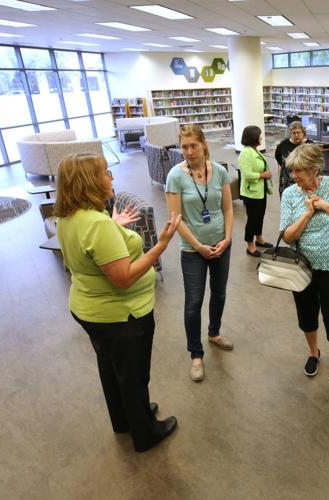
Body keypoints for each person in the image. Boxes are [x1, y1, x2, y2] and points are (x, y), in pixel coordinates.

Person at [55, 153, 182, 453]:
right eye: (105, 172)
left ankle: (124, 419)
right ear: (89, 181)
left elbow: (90, 254)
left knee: (111, 369)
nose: (110, 177)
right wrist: (160, 246)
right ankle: (145, 434)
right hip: (121, 315)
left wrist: (113, 225)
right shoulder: (97, 225)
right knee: (134, 374)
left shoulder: (68, 218)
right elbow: (123, 278)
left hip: (89, 309)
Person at [280, 144, 329, 382]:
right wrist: (307, 213)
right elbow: (287, 236)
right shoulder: (289, 194)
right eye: (292, 171)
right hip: (301, 267)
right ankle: (314, 352)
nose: (294, 176)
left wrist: (325, 206)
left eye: (298, 171)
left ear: (314, 170)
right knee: (306, 314)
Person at [165, 125, 235, 382]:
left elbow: (228, 209)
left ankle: (214, 332)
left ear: (204, 144)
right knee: (193, 302)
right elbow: (176, 219)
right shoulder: (175, 176)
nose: (189, 151)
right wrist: (198, 246)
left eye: (193, 145)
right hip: (192, 250)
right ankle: (196, 354)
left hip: (221, 245)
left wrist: (227, 239)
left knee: (219, 292)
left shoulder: (218, 171)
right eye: (184, 146)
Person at [238, 125, 273, 257]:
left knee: (260, 216)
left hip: (260, 191)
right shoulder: (246, 153)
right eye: (259, 135)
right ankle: (250, 245)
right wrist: (262, 175)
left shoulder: (254, 150)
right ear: (253, 137)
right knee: (252, 219)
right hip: (251, 193)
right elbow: (246, 174)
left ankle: (259, 239)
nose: (261, 137)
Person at [274, 121, 313, 198]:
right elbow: (278, 157)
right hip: (287, 183)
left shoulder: (310, 145)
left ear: (303, 133)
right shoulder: (283, 145)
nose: (296, 135)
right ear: (290, 134)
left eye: (298, 132)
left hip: (306, 182)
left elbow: (316, 161)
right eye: (293, 133)